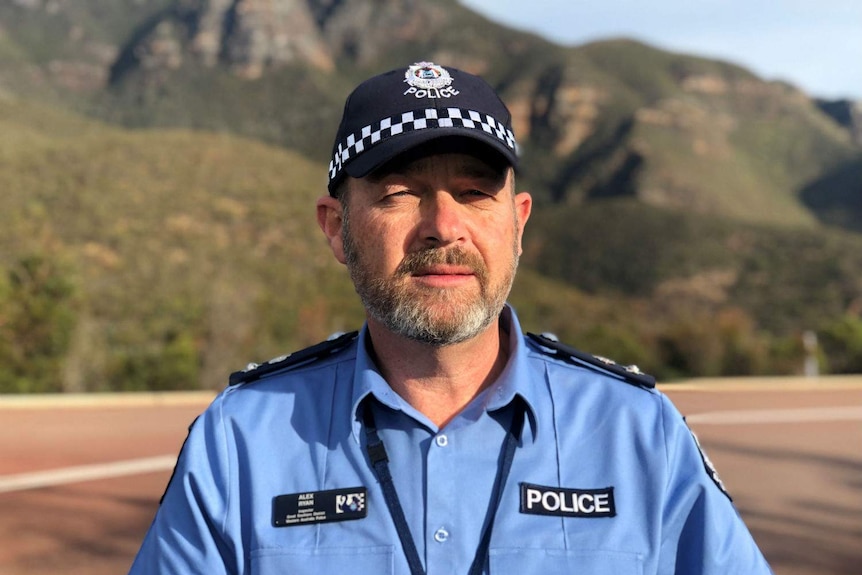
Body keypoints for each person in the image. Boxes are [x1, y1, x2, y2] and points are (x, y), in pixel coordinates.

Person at [129, 61, 773, 574]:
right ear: (336, 228)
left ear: (517, 224)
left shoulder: (637, 433)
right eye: (399, 194)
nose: (443, 227)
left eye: (473, 194)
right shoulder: (240, 441)